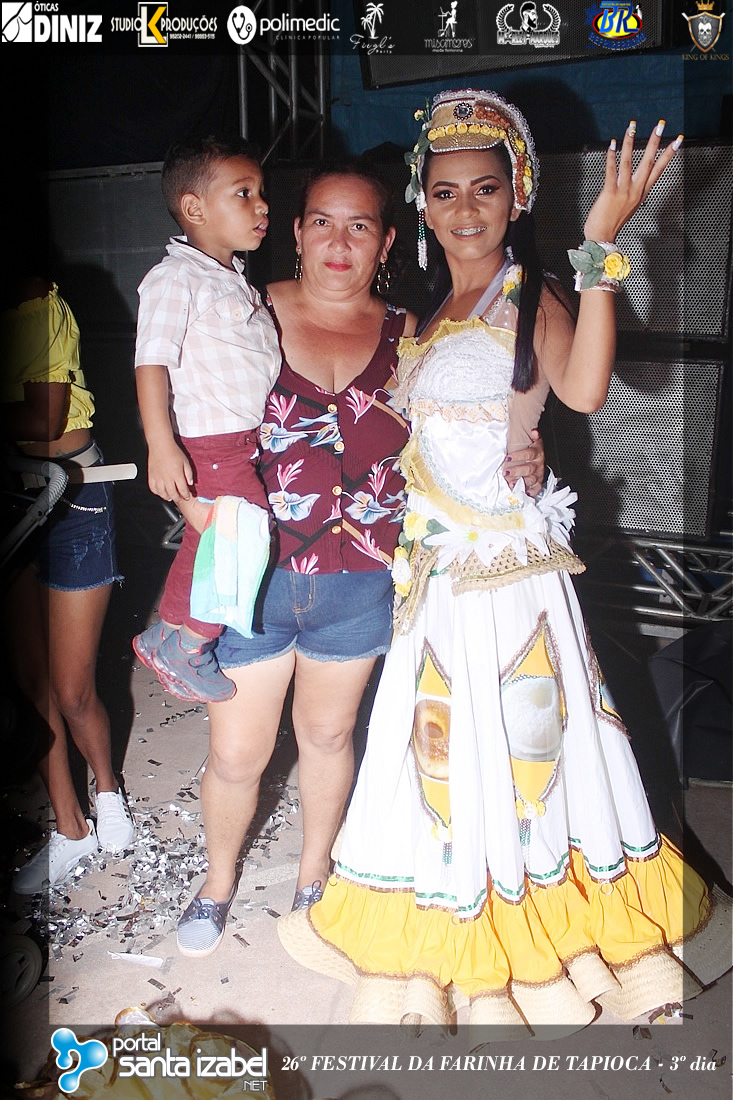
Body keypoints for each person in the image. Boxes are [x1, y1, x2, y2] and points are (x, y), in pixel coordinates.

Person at [278, 90, 732, 1028]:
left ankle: (546, 940)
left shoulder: (534, 294)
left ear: (516, 194)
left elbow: (585, 389)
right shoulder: (427, 312)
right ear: (422, 204)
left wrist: (600, 245)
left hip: (510, 577)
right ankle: (454, 915)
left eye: (484, 188)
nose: (464, 209)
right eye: (444, 192)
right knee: (443, 752)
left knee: (530, 750)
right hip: (437, 577)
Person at [173, 160, 546, 958]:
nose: (338, 242)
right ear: (296, 232)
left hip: (362, 581)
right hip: (252, 579)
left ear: (385, 242)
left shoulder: (412, 334)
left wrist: (527, 447)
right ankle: (217, 882)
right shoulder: (243, 311)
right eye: (321, 222)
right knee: (237, 754)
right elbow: (191, 417)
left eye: (359, 226)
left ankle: (314, 877)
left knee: (327, 735)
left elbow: (469, 418)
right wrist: (179, 488)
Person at [132, 136, 281, 704]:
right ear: (193, 208)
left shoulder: (230, 277)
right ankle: (191, 645)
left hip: (240, 440)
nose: (261, 205)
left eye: (261, 192)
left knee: (208, 538)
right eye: (243, 193)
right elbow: (151, 362)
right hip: (211, 440)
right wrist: (160, 443)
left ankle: (167, 632)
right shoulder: (176, 279)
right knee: (243, 537)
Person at [4, 277, 135, 893]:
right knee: (34, 686)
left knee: (72, 687)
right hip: (11, 498)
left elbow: (46, 415)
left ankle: (107, 790)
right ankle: (70, 827)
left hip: (72, 498)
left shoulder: (35, 300)